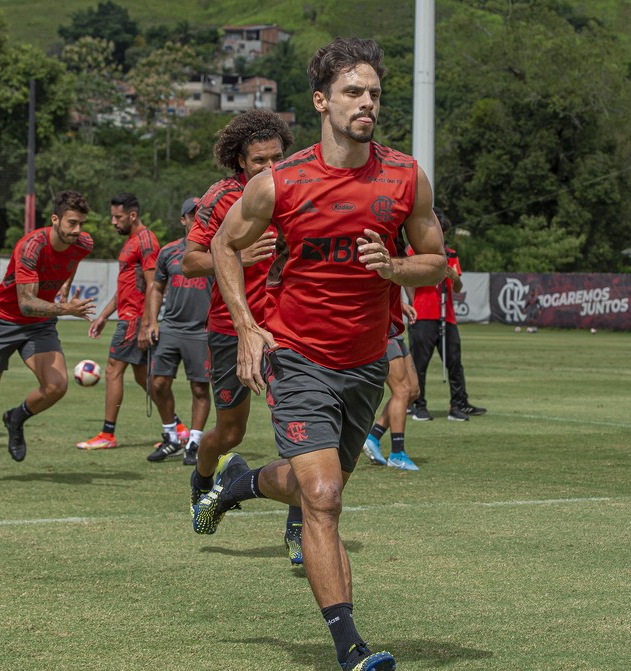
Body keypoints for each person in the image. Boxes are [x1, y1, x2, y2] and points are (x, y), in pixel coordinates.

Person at [200, 38, 447, 671]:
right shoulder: (278, 181)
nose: (367, 104)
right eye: (352, 93)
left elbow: (436, 261)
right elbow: (226, 247)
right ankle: (352, 649)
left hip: (364, 363)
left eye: (374, 94)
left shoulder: (405, 175)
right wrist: (249, 327)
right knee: (326, 497)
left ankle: (241, 482)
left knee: (316, 487)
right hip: (298, 355)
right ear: (321, 101)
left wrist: (393, 266)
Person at [180, 109, 301, 563]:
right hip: (229, 328)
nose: (271, 168)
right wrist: (239, 255)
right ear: (239, 161)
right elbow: (190, 261)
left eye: (277, 158)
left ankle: (298, 528)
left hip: (285, 326)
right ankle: (204, 481)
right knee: (229, 433)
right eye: (259, 161)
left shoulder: (292, 190)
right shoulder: (219, 199)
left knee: (298, 431)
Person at [0, 191, 95, 480]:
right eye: (72, 223)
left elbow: (72, 261)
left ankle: (16, 417)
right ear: (55, 219)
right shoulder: (31, 247)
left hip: (39, 324)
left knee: (57, 386)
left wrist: (66, 285)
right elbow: (26, 302)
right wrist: (65, 307)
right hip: (2, 321)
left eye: (81, 224)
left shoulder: (83, 243)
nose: (77, 231)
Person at [76, 193, 161, 450]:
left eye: (118, 217)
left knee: (113, 369)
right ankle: (177, 429)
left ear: (132, 215)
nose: (113, 222)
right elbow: (125, 288)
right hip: (128, 316)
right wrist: (103, 315)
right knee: (143, 376)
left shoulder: (146, 240)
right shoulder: (131, 241)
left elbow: (153, 284)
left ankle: (107, 435)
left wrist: (147, 323)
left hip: (135, 319)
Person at [139, 197, 213, 462]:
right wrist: (151, 321)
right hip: (170, 327)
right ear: (183, 220)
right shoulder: (169, 251)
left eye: (202, 214)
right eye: (192, 215)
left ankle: (194, 442)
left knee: (200, 389)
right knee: (157, 384)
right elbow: (156, 287)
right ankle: (171, 436)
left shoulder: (217, 250)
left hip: (202, 331)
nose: (198, 219)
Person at [408, 206, 486, 422]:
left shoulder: (451, 255)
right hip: (423, 314)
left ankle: (459, 403)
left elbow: (459, 287)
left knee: (454, 361)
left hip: (447, 315)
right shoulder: (416, 253)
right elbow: (407, 281)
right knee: (419, 363)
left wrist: (454, 277)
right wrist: (412, 302)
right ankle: (418, 405)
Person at [361, 300, 422, 470]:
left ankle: (373, 437)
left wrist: (401, 305)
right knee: (401, 390)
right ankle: (397, 454)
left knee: (413, 391)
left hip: (395, 328)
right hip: (382, 328)